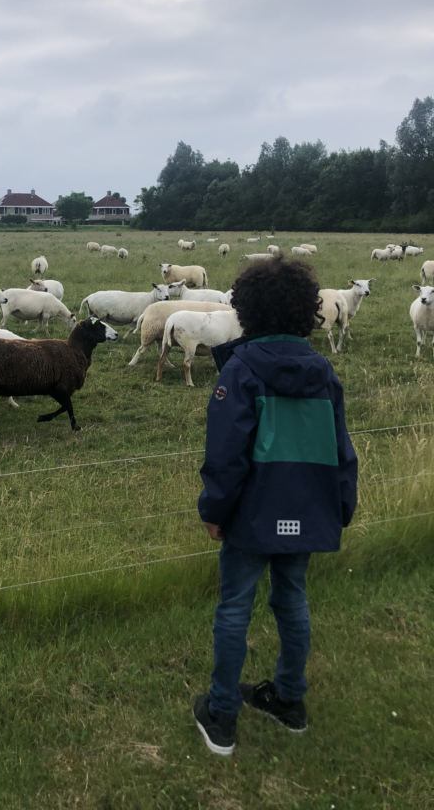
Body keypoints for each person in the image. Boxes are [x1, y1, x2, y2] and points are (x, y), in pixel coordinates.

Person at [193, 255, 358, 756]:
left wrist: (215, 511)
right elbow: (341, 448)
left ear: (248, 310)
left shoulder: (241, 371)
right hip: (308, 505)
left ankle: (222, 713)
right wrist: (340, 508)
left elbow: (227, 454)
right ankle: (289, 699)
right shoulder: (322, 371)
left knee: (235, 606)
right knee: (292, 600)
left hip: (252, 512)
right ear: (306, 310)